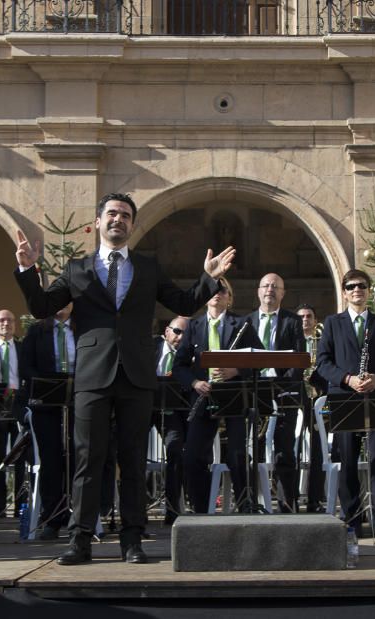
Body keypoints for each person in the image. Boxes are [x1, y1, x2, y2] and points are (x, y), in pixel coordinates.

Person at [14, 192, 235, 565]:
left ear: (132, 225)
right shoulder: (76, 269)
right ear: (98, 222)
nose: (119, 220)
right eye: (112, 214)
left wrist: (208, 279)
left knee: (132, 459)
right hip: (92, 376)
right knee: (88, 458)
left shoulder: (147, 268)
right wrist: (27, 272)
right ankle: (80, 539)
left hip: (135, 375)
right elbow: (40, 307)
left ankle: (132, 541)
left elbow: (181, 304)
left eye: (126, 216)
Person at [316, 269, 375, 536]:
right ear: (344, 292)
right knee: (348, 457)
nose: (357, 290)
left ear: (368, 290)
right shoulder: (332, 323)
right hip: (344, 396)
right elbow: (323, 363)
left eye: (362, 286)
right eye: (351, 286)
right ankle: (352, 516)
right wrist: (347, 379)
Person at [174, 281, 260, 514]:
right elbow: (180, 365)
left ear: (229, 298)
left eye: (222, 291)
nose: (216, 294)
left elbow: (259, 360)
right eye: (213, 290)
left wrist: (236, 370)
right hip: (204, 397)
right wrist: (194, 382)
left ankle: (245, 504)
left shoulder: (242, 324)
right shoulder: (194, 326)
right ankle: (201, 509)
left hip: (234, 397)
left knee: (237, 454)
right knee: (192, 456)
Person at [247, 274, 306, 513]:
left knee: (284, 449)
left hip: (285, 391)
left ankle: (287, 504)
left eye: (275, 287)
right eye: (266, 286)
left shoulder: (293, 322)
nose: (270, 290)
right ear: (258, 291)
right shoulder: (247, 322)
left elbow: (300, 359)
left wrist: (284, 385)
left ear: (283, 293)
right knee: (253, 449)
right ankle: (253, 503)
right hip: (255, 391)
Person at [20, 304, 76, 540]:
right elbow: (25, 366)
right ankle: (51, 517)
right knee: (51, 458)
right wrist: (45, 384)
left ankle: (79, 515)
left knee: (77, 455)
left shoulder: (83, 329)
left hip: (78, 402)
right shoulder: (36, 331)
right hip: (45, 404)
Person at [0, 309, 29, 522]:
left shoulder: (23, 349)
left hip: (18, 405)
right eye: (1, 320)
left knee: (20, 458)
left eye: (10, 320)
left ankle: (21, 505)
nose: (6, 323)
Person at [151, 315, 189, 525]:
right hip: (147, 406)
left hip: (173, 408)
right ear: (166, 331)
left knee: (175, 448)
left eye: (184, 333)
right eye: (176, 331)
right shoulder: (150, 346)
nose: (179, 337)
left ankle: (172, 507)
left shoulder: (189, 355)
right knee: (132, 448)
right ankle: (135, 508)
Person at [296, 302, 328, 512]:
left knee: (318, 448)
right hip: (298, 397)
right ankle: (292, 496)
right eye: (301, 317)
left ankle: (315, 498)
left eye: (309, 316)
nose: (305, 320)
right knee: (294, 447)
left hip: (317, 397)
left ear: (315, 320)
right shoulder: (293, 340)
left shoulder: (322, 341)